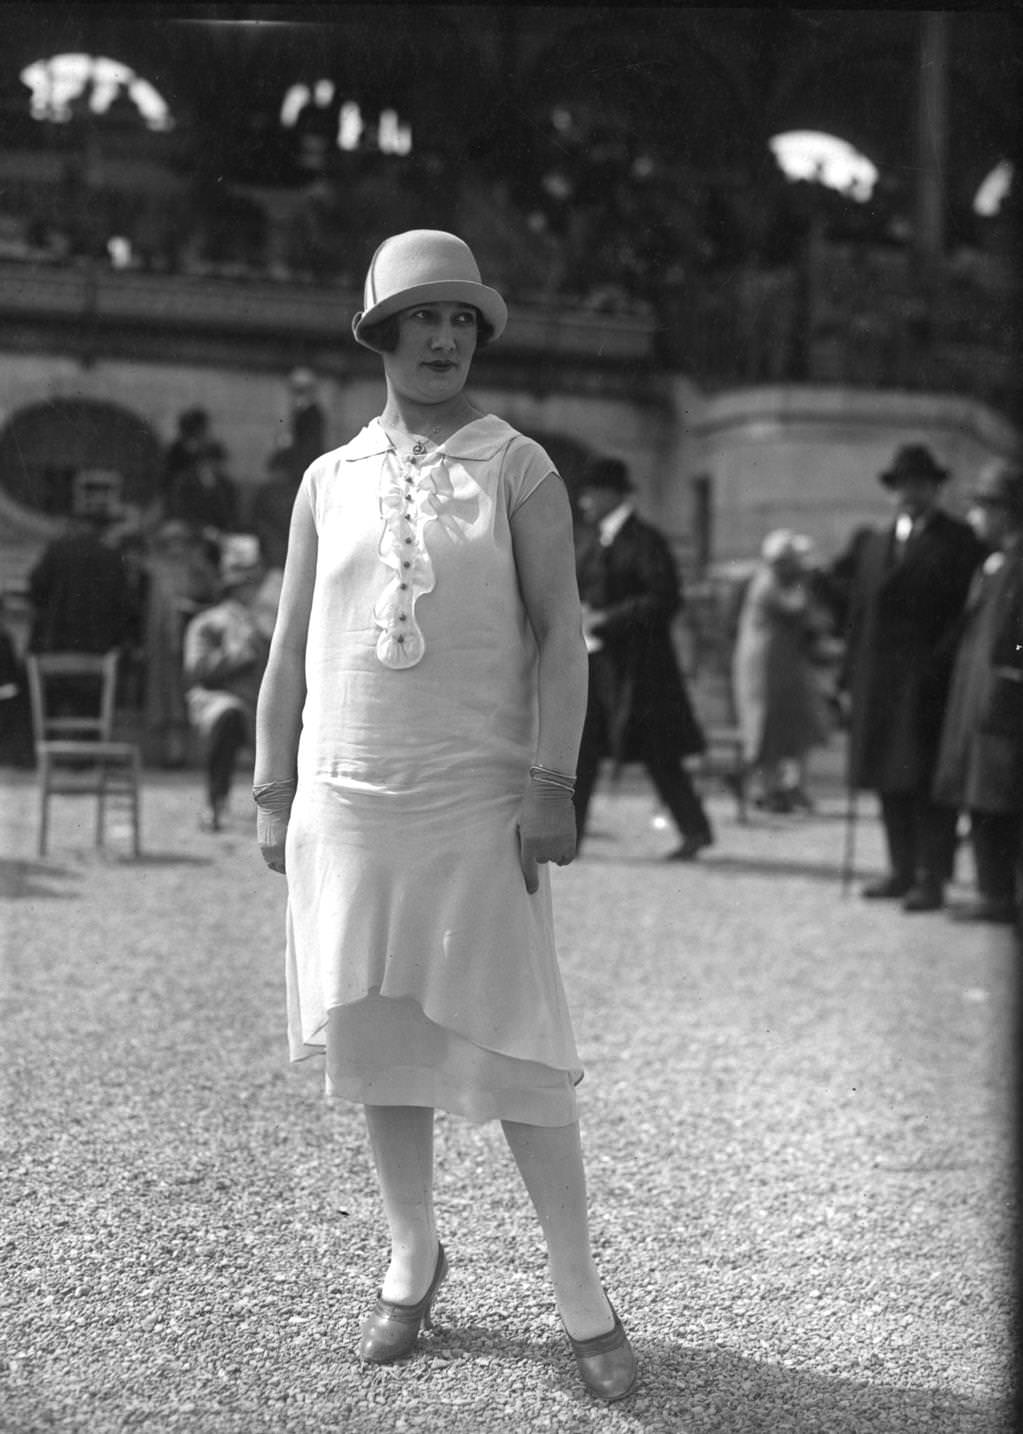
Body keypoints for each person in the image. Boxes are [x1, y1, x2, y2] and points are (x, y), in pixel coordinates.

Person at [252, 229, 636, 1402]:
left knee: (519, 1046)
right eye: (422, 317)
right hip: (348, 796)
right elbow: (287, 649)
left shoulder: (519, 468)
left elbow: (561, 640)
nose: (442, 338)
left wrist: (552, 785)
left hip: (476, 799)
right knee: (375, 1040)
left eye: (462, 320)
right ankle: (412, 1253)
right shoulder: (329, 479)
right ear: (379, 331)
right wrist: (276, 788)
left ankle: (579, 1288)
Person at [841, 443, 984, 911]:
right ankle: (899, 869)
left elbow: (967, 616)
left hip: (929, 682)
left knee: (926, 784)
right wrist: (847, 679)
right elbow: (858, 616)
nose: (910, 494)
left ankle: (932, 877)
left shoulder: (960, 542)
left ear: (935, 489)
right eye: (902, 486)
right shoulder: (875, 544)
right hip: (878, 682)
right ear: (893, 492)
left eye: (920, 485)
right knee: (888, 779)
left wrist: (939, 666)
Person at [572, 455, 712, 860]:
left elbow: (664, 599)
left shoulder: (645, 541)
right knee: (582, 747)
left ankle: (695, 829)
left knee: (659, 754)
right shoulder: (592, 541)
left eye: (591, 493)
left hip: (640, 669)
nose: (584, 502)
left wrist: (606, 619)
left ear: (612, 495)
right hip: (599, 664)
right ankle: (572, 834)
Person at [933, 460, 1023, 924]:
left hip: (1004, 702)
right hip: (980, 698)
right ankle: (993, 891)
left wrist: (1012, 666)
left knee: (998, 797)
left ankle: (999, 895)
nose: (973, 519)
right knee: (983, 796)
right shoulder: (994, 565)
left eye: (982, 508)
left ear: (1006, 512)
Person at [732, 529, 832, 812]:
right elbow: (796, 607)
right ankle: (764, 786)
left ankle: (786, 785)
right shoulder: (768, 583)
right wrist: (807, 579)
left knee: (794, 724)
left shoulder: (779, 581)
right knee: (765, 727)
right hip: (765, 667)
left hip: (785, 665)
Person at [184, 535, 272, 831]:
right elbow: (196, 668)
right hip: (215, 699)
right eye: (244, 585)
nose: (250, 591)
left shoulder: (264, 623)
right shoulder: (208, 623)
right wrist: (237, 654)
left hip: (258, 702)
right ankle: (214, 803)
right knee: (228, 715)